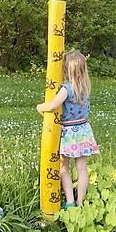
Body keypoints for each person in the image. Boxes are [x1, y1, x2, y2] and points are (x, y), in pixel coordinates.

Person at [35, 51, 99, 208]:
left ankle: (70, 201)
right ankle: (81, 201)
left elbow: (52, 106)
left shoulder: (66, 89)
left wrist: (39, 107)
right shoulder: (85, 87)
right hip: (83, 130)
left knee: (64, 167)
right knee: (82, 168)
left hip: (69, 133)